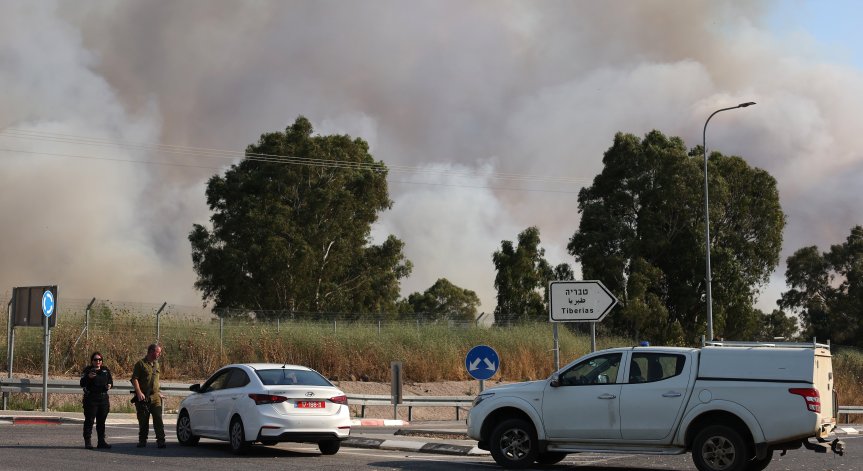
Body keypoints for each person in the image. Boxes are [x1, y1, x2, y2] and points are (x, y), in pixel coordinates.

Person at [131, 343, 165, 448]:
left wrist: (158, 392)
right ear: (151, 351)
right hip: (144, 397)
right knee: (143, 420)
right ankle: (142, 440)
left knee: (158, 419)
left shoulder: (156, 364)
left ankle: (161, 440)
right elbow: (134, 379)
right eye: (158, 352)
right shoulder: (140, 364)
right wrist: (139, 392)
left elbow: (155, 380)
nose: (159, 354)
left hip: (155, 397)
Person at [80, 351, 113, 449]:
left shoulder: (105, 370)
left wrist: (110, 385)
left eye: (100, 360)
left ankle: (101, 441)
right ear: (92, 361)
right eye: (95, 360)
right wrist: (88, 377)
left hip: (103, 399)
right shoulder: (88, 370)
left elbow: (110, 381)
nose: (98, 361)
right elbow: (82, 383)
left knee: (101, 421)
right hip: (91, 399)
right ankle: (88, 441)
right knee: (89, 420)